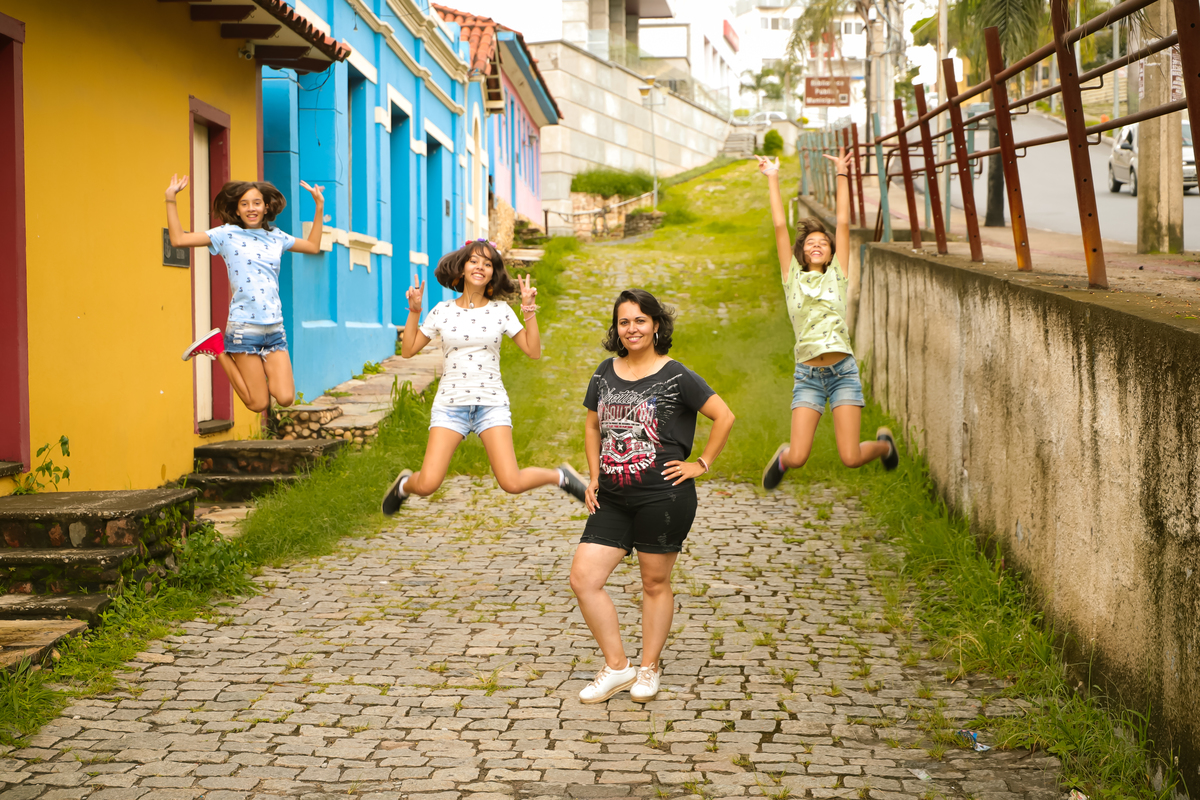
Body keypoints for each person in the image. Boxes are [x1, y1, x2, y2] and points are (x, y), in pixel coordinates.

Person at [570, 289, 735, 704]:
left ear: (656, 325)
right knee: (584, 579)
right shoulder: (604, 372)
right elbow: (592, 426)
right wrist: (594, 476)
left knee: (654, 582)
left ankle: (649, 667)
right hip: (612, 497)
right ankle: (617, 667)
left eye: (640, 320)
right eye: (624, 322)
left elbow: (724, 415)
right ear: (617, 328)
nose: (632, 329)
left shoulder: (676, 375)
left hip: (664, 498)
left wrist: (701, 463)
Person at [380, 239, 587, 515]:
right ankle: (405, 485)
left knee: (511, 482)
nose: (480, 267)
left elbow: (533, 351)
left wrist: (528, 310)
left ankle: (560, 477)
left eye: (487, 264)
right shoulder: (442, 311)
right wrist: (415, 311)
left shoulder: (501, 312)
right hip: (450, 405)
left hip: (491, 404)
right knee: (428, 484)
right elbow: (408, 350)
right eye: (474, 261)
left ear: (493, 274)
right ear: (462, 268)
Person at [756, 150, 898, 491]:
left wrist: (842, 174)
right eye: (810, 243)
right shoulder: (791, 277)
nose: (817, 245)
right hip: (808, 376)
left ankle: (884, 446)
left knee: (850, 457)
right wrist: (773, 177)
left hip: (842, 373)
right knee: (798, 457)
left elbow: (844, 224)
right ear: (802, 252)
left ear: (833, 253)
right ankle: (783, 458)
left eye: (823, 242)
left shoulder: (838, 275)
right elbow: (779, 226)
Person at [167, 175, 325, 412]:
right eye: (244, 204)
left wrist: (319, 206)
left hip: (274, 328)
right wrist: (170, 199)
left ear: (266, 207)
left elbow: (312, 247)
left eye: (257, 203)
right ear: (237, 210)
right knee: (258, 403)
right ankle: (217, 349)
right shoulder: (225, 234)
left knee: (285, 398)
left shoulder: (277, 237)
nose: (251, 208)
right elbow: (179, 240)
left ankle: (232, 354)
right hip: (244, 327)